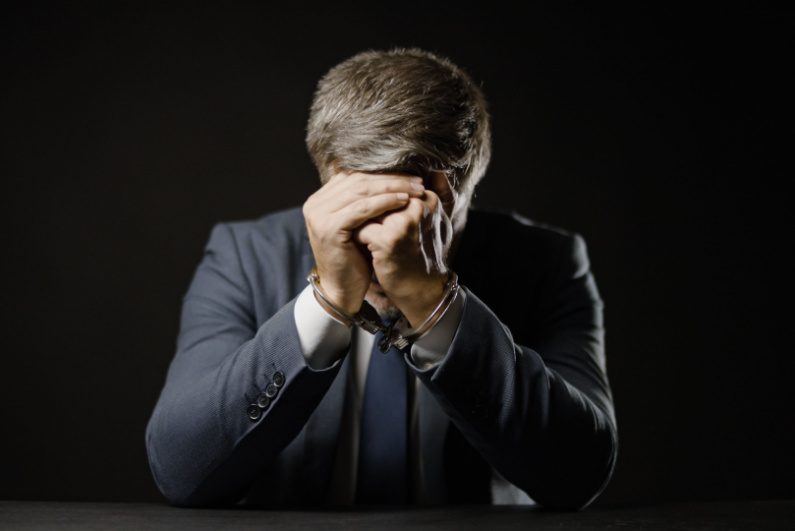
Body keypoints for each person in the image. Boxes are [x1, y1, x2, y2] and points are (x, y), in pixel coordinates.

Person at [145, 48, 617, 510]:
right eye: (357, 205)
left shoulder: (546, 262)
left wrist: (434, 305)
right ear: (325, 176)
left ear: (458, 192)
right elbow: (181, 471)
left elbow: (581, 473)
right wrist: (326, 302)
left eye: (402, 215)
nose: (381, 247)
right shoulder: (245, 255)